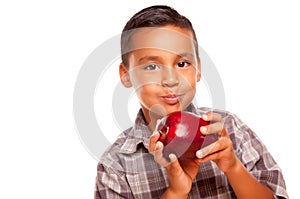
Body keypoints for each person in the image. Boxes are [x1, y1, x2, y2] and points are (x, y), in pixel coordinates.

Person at [94, 5, 288, 199]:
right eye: (152, 66)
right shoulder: (116, 165)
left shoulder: (230, 129)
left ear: (197, 70)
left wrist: (233, 167)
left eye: (182, 64)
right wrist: (176, 191)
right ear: (126, 75)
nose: (170, 79)